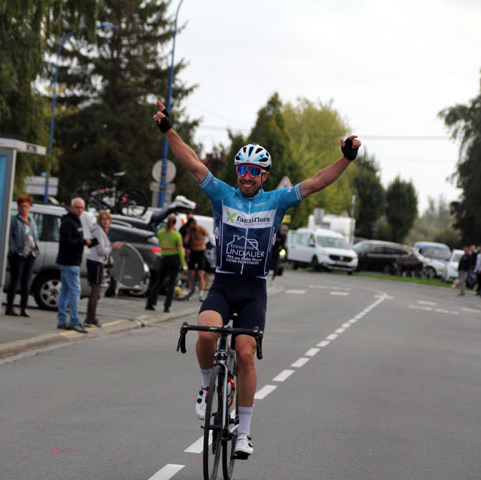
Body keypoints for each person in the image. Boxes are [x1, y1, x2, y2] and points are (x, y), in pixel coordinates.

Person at [153, 100, 360, 457]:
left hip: (253, 290)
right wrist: (168, 130)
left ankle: (244, 432)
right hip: (224, 283)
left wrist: (346, 159)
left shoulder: (277, 201)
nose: (246, 176)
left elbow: (315, 183)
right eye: (242, 170)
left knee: (245, 353)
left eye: (254, 171)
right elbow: (192, 162)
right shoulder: (222, 195)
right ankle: (206, 388)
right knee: (205, 335)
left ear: (264, 176)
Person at [55, 197, 90, 333]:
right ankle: (74, 321)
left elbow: (74, 241)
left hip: (72, 261)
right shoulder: (68, 222)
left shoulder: (76, 221)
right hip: (68, 262)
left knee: (65, 291)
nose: (80, 210)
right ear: (71, 207)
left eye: (82, 207)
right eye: (77, 207)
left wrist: (79, 259)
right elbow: (66, 241)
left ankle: (62, 320)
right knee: (75, 291)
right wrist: (83, 241)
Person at [85, 210, 122, 327]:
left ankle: (91, 317)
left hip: (98, 262)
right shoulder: (99, 232)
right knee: (95, 292)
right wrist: (113, 247)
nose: (106, 222)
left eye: (107, 219)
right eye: (103, 219)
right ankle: (90, 318)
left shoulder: (101, 232)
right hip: (96, 262)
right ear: (99, 221)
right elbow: (101, 250)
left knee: (96, 292)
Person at [6, 196, 39, 317]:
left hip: (31, 254)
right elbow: (9, 236)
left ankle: (24, 308)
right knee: (15, 280)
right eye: (21, 206)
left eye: (26, 206)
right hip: (18, 254)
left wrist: (36, 247)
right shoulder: (15, 220)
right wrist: (13, 249)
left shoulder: (32, 221)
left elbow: (35, 236)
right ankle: (10, 307)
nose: (23, 209)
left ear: (29, 207)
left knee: (27, 282)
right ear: (18, 207)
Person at [145, 215, 186, 313]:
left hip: (164, 258)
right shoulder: (177, 235)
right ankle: (166, 306)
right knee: (171, 284)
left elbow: (159, 242)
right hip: (175, 259)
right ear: (175, 223)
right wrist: (183, 264)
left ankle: (150, 303)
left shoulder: (161, 233)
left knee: (158, 281)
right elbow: (180, 250)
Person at [184, 217, 210, 301]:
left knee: (200, 274)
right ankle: (189, 292)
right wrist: (188, 233)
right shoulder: (190, 231)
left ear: (194, 224)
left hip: (201, 253)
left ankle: (201, 294)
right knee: (191, 273)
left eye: (191, 225)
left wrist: (204, 242)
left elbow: (208, 234)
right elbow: (185, 241)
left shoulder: (200, 229)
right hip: (193, 252)